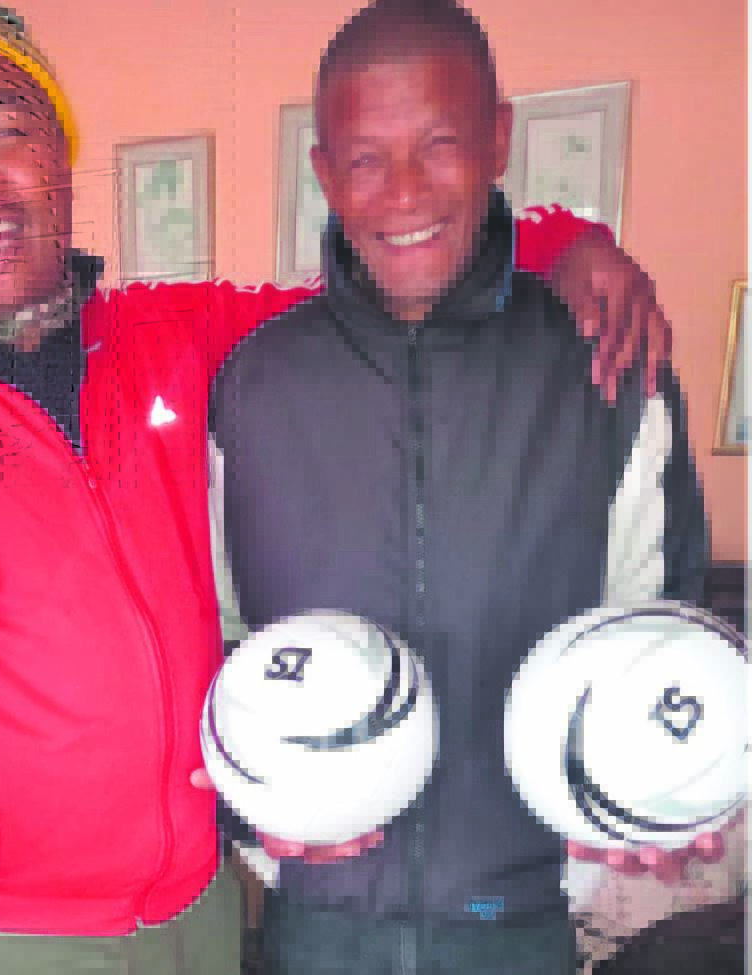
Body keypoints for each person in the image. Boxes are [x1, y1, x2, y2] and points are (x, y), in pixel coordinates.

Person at [0, 2, 677, 973]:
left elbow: (396, 272)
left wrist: (565, 243)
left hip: (201, 913)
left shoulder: (180, 336)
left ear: (61, 157)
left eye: (8, 128)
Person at [210, 1, 727, 973]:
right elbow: (217, 636)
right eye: (365, 159)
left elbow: (661, 633)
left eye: (439, 145)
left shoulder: (607, 367)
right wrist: (250, 813)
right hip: (315, 921)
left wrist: (662, 789)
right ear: (323, 172)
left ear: (497, 139)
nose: (404, 192)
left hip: (521, 917)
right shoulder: (253, 384)